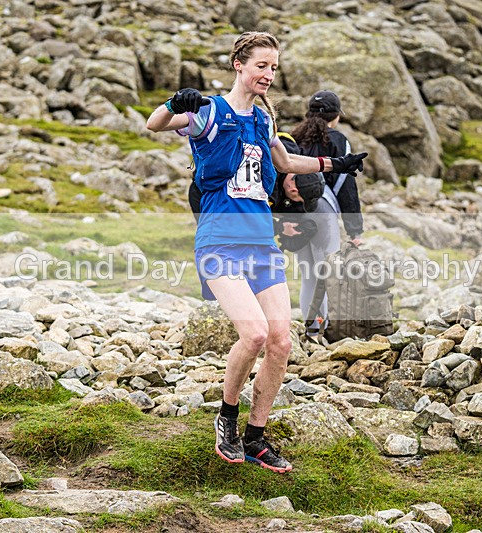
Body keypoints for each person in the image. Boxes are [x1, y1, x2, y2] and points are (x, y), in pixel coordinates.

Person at [146, 31, 366, 474]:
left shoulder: (264, 121)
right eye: (262, 66)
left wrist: (333, 164)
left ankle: (256, 437)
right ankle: (226, 419)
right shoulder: (208, 111)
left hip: (261, 244)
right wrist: (175, 103)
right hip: (220, 242)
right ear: (239, 65)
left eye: (274, 68)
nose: (269, 75)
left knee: (282, 342)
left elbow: (284, 163)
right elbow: (154, 124)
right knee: (255, 337)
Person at [271, 134, 340, 333]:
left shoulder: (301, 180)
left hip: (323, 219)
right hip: (299, 219)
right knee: (309, 275)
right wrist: (280, 227)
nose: (298, 201)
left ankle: (321, 327)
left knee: (322, 274)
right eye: (297, 197)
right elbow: (251, 215)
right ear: (292, 185)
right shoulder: (271, 173)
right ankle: (315, 329)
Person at [292, 90, 364, 245]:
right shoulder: (337, 140)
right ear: (336, 116)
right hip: (323, 205)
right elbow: (345, 184)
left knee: (307, 266)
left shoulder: (295, 137)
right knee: (327, 264)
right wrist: (354, 230)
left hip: (296, 207)